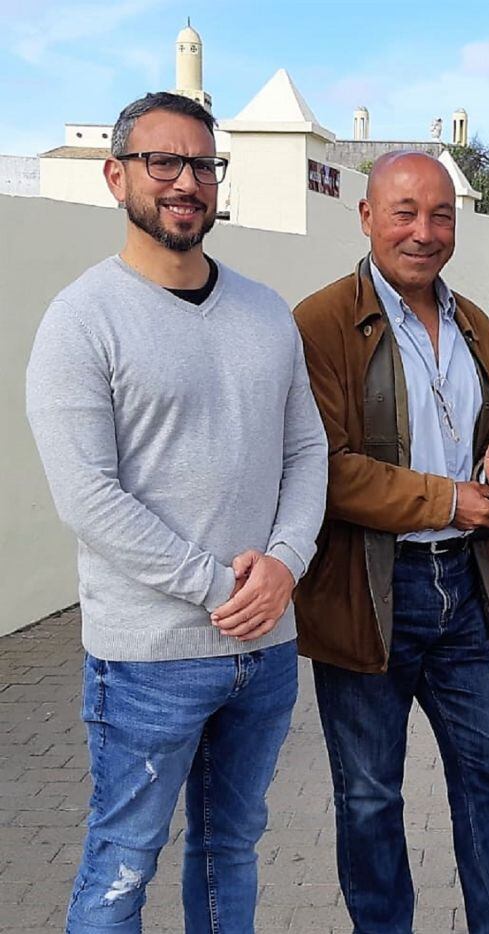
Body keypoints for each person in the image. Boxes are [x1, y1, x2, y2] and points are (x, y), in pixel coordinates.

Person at [25, 92, 328, 933]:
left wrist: (286, 564)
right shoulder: (81, 322)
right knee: (122, 863)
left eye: (202, 163)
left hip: (264, 651)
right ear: (117, 176)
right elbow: (89, 495)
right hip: (149, 658)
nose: (186, 181)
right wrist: (218, 586)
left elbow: (307, 452)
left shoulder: (266, 311)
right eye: (164, 161)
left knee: (231, 849)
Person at [292, 151, 489, 934]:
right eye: (404, 212)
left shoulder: (473, 321)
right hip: (368, 594)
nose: (423, 231)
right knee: (371, 796)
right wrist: (449, 497)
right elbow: (323, 470)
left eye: (440, 215)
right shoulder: (320, 322)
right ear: (367, 217)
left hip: (461, 586)